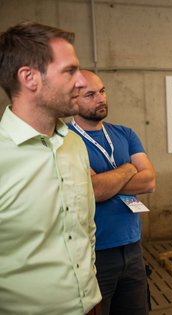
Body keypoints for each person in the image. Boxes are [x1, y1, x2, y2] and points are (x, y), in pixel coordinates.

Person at [0, 21, 101, 314]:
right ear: (29, 78)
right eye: (70, 71)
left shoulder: (74, 145)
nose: (82, 81)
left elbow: (85, 229)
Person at [68, 70, 156, 315]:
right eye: (90, 94)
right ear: (73, 100)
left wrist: (109, 180)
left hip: (133, 247)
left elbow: (149, 181)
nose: (101, 99)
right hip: (93, 253)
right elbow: (94, 191)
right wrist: (129, 168)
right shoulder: (65, 141)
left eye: (102, 91)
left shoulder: (125, 133)